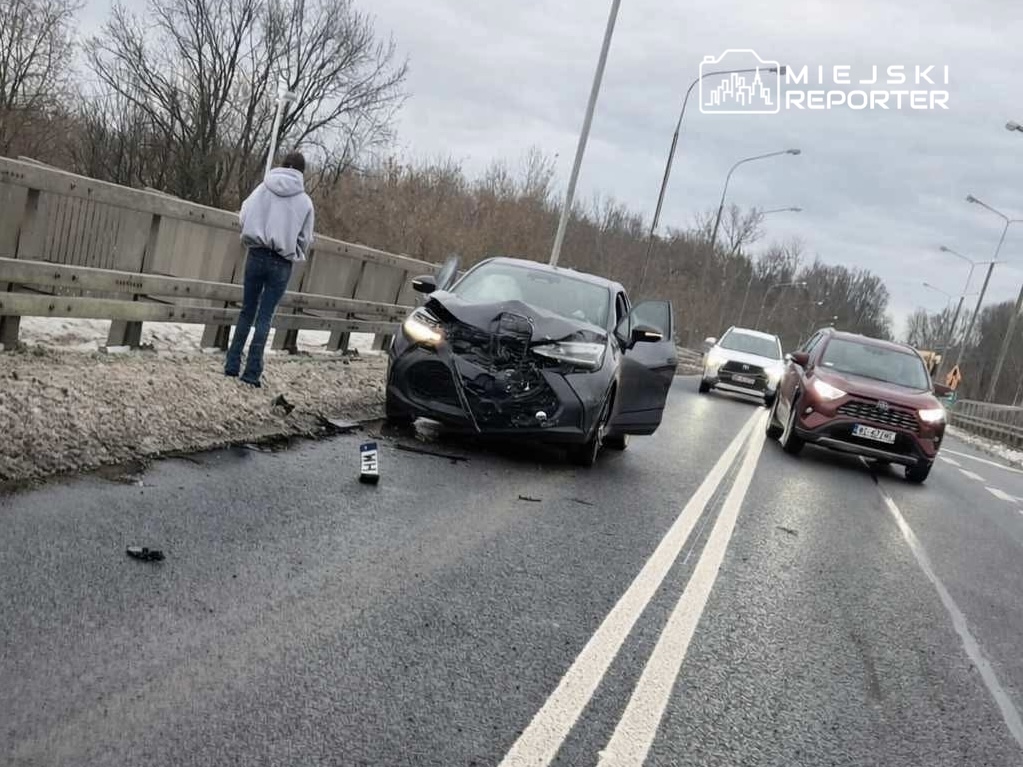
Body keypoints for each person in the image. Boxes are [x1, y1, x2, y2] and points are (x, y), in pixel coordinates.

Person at [225, 151, 315, 387]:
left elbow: (243, 215)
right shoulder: (304, 202)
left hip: (256, 254)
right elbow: (305, 238)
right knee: (265, 316)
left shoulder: (262, 189)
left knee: (247, 310)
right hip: (281, 261)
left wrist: (252, 235)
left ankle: (232, 364)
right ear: (301, 173)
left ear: (283, 165)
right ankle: (252, 372)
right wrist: (293, 251)